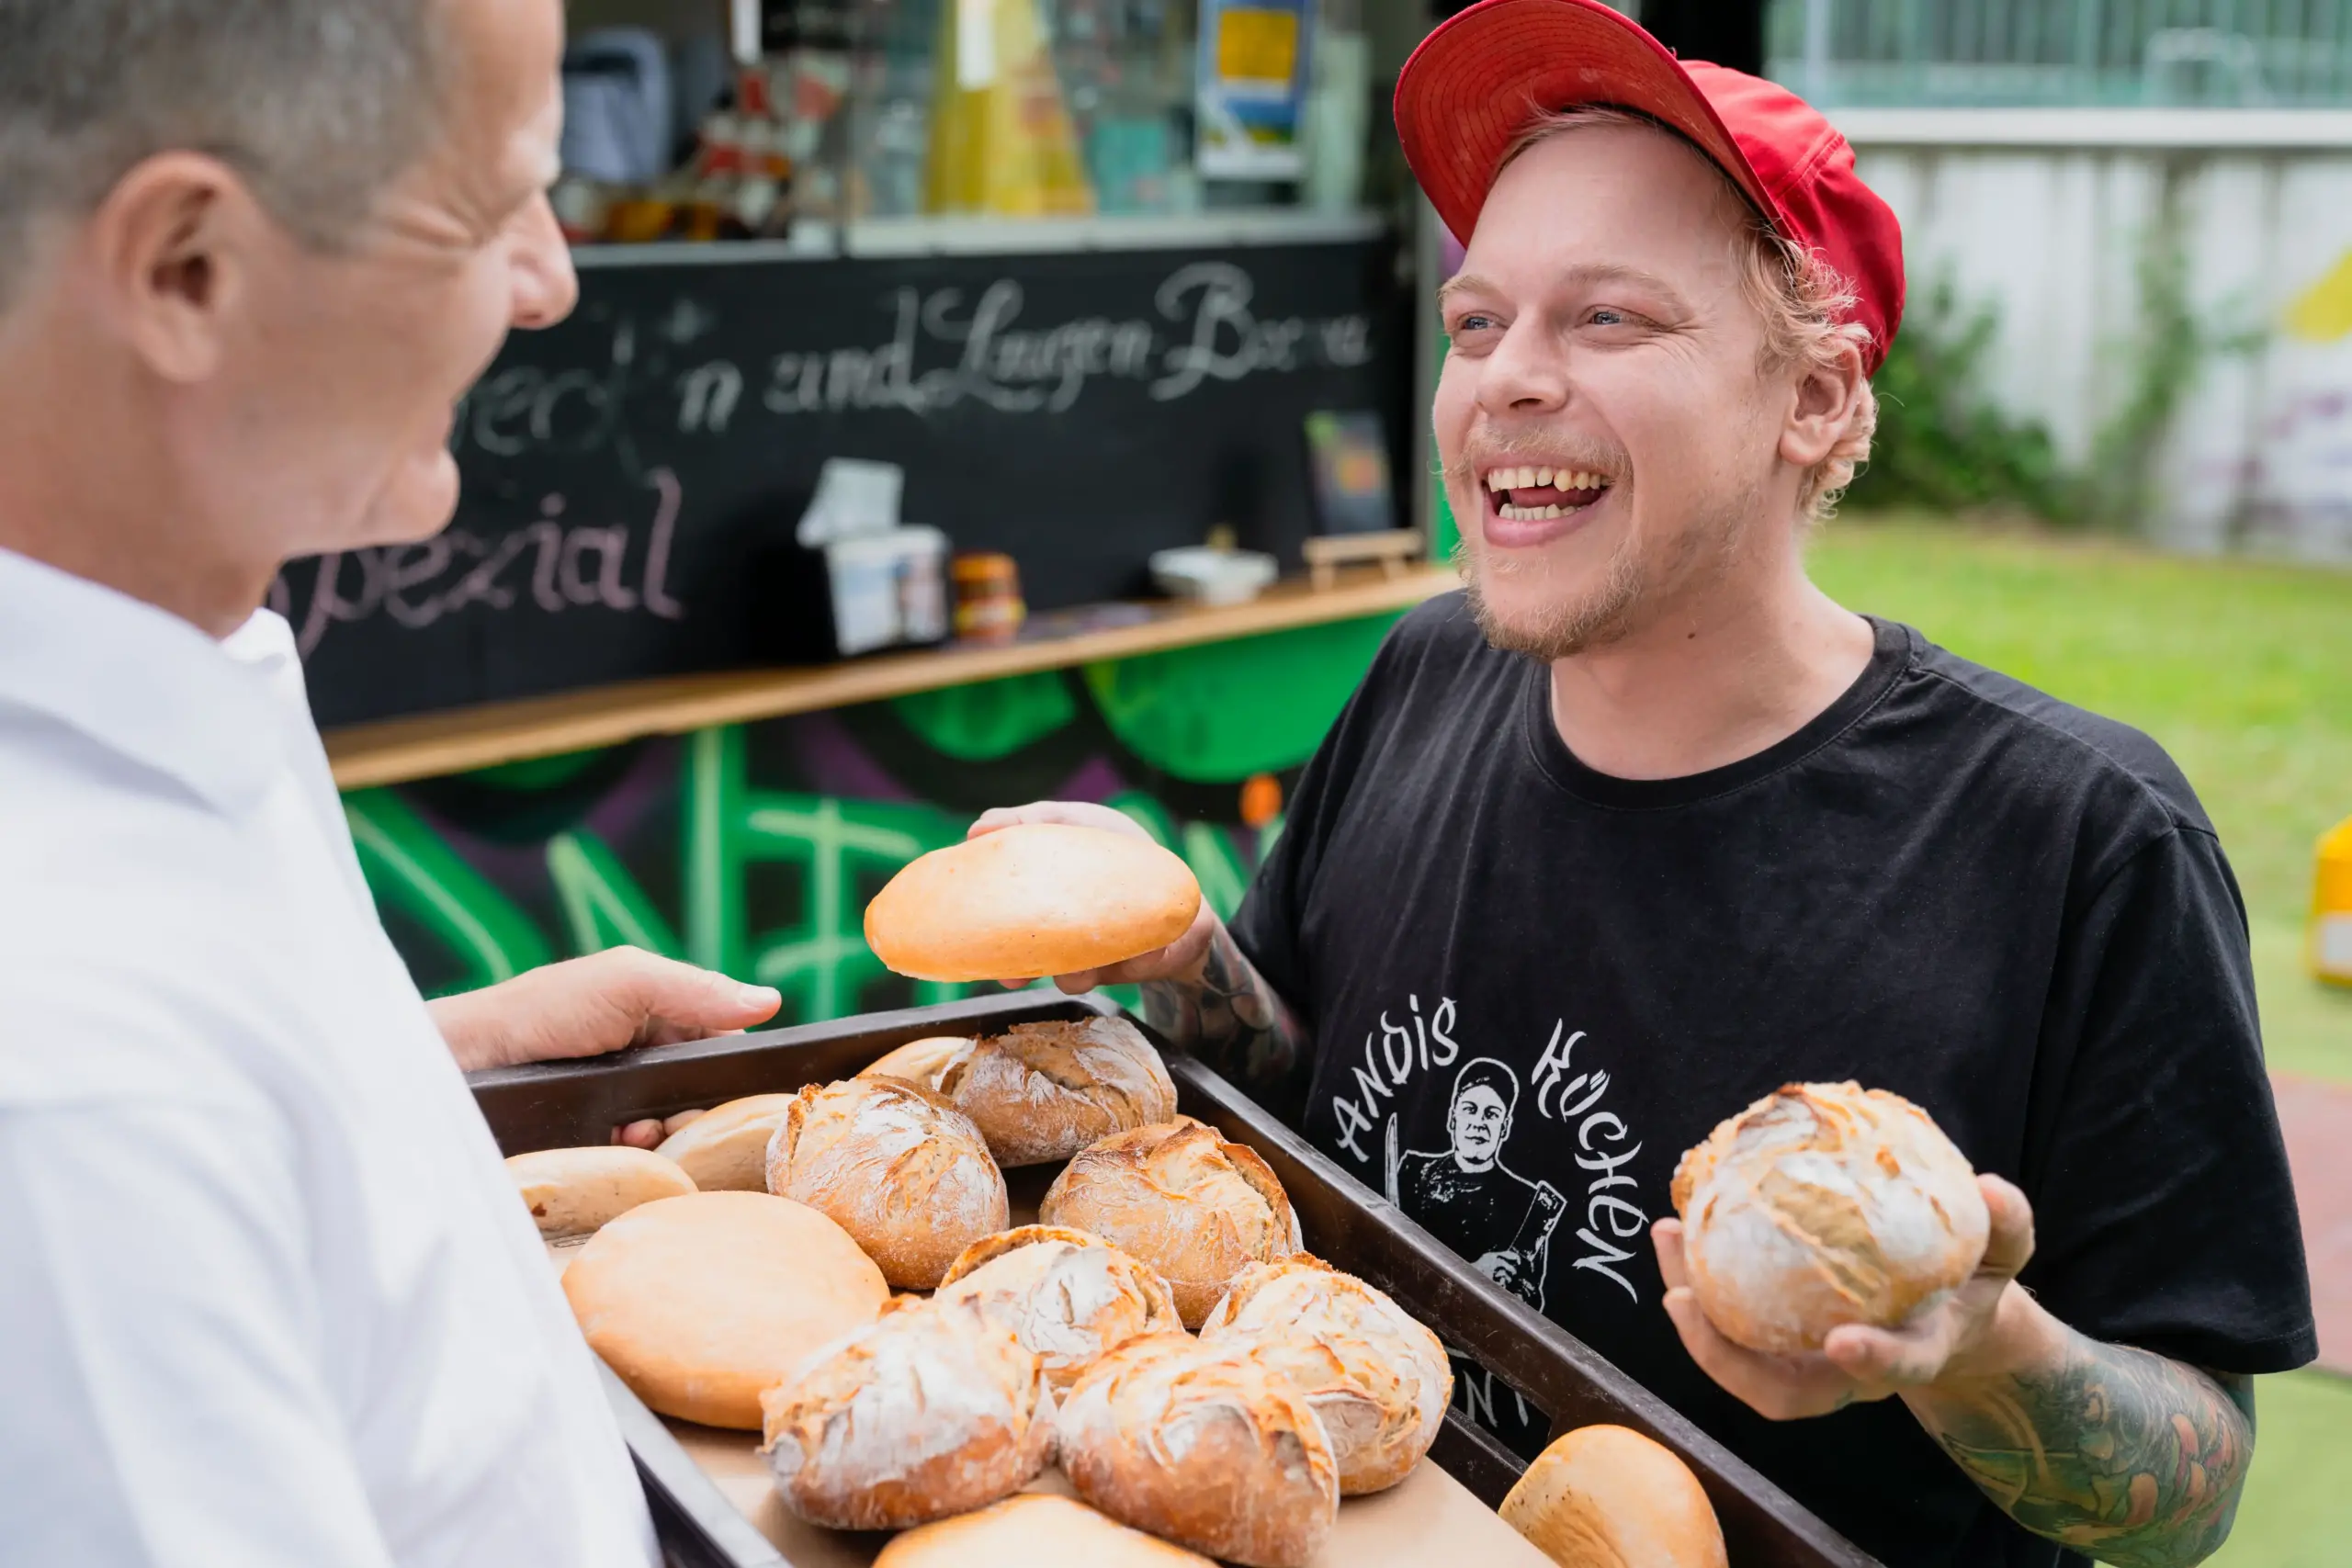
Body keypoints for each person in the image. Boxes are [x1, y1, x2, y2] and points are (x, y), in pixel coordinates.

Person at [972, 3, 2317, 1564]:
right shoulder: (1428, 672)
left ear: (1813, 397)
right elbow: (1300, 1093)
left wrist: (1980, 1351)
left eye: (1607, 319)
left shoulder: (2073, 840)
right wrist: (1183, 951)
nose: (1505, 383)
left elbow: (2193, 1494)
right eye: (1478, 323)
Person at [0, 3, 779, 1562]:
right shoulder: (72, 1095)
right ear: (185, 271)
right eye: (494, 207)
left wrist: (443, 1063)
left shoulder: (182, 649)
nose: (551, 281)